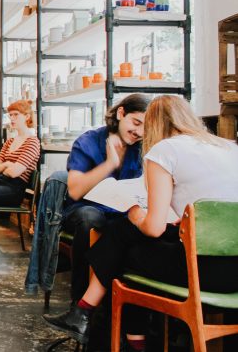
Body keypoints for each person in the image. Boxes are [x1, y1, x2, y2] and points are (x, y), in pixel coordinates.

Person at [44, 95, 238, 350]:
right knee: (128, 238)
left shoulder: (164, 151)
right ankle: (106, 323)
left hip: (201, 273)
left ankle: (90, 317)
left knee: (126, 241)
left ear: (154, 125)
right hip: (233, 272)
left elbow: (154, 227)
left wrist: (135, 213)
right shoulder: (230, 147)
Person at [25, 94, 150, 301]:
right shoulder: (88, 141)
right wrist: (109, 164)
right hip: (84, 209)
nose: (139, 132)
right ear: (121, 113)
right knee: (91, 218)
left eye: (145, 127)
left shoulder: (142, 148)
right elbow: (74, 190)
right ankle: (80, 307)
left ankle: (130, 312)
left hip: (124, 213)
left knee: (143, 226)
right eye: (136, 122)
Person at [0, 99, 40, 215]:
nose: (11, 118)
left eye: (16, 115)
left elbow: (14, 173)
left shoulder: (32, 142)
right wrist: (7, 164)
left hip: (15, 189)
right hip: (0, 181)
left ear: (27, 116)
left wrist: (4, 167)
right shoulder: (9, 141)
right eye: (10, 115)